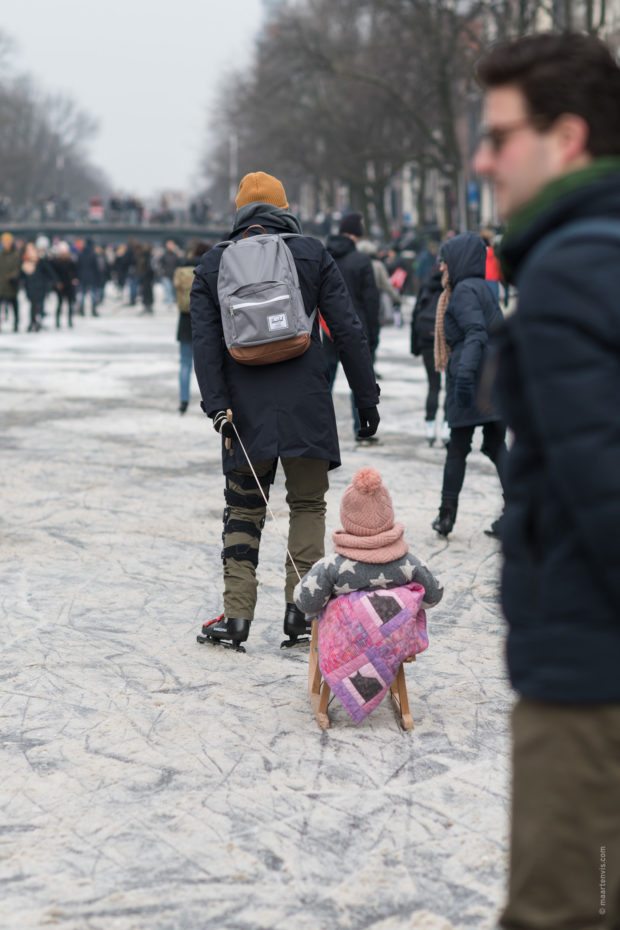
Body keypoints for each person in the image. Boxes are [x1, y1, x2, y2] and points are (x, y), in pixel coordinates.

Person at [473, 32, 620, 930]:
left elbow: (606, 500)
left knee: (568, 907)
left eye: (499, 135)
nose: (484, 159)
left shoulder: (571, 271)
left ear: (565, 139)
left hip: (588, 676)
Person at [190, 171, 380, 650]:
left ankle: (236, 618)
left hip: (244, 411)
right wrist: (365, 396)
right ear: (284, 207)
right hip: (307, 402)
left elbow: (205, 346)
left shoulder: (213, 265)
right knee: (308, 505)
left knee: (243, 509)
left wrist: (217, 407)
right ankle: (301, 611)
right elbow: (347, 327)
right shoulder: (313, 253)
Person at [293, 467, 443, 721]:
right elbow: (433, 595)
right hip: (392, 643)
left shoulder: (333, 566)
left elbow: (306, 601)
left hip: (345, 644)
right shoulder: (407, 562)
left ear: (346, 519)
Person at [430, 232, 507, 538]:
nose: (441, 268)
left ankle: (446, 517)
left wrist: (462, 378)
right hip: (493, 379)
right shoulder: (484, 288)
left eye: (444, 261)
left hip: (473, 381)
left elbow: (476, 333)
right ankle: (518, 513)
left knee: (458, 449)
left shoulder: (462, 292)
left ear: (457, 261)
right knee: (496, 446)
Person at [325, 212, 381, 439]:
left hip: (325, 328)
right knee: (357, 380)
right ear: (357, 234)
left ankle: (321, 429)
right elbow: (371, 302)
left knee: (324, 384)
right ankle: (362, 427)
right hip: (355, 328)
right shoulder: (361, 261)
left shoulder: (325, 257)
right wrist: (374, 336)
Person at [410, 266, 449, 447]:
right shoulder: (452, 286)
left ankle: (430, 427)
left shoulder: (426, 285)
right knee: (450, 385)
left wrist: (415, 345)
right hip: (447, 340)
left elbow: (415, 314)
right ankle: (447, 427)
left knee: (433, 385)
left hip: (426, 340)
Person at [173, 239, 210, 414]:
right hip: (205, 321)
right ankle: (210, 401)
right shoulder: (208, 269)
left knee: (185, 363)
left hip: (184, 320)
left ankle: (183, 400)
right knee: (207, 364)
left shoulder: (182, 270)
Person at [20, 241, 57, 332]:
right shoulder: (25, 263)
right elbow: (21, 276)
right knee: (33, 306)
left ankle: (38, 322)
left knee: (39, 305)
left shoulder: (41, 262)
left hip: (40, 287)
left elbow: (50, 272)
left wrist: (54, 281)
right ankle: (33, 322)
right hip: (30, 287)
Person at [51, 242, 78, 329]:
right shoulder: (56, 263)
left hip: (69, 285)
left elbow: (75, 273)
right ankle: (57, 322)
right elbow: (54, 274)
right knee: (60, 304)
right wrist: (57, 282)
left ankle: (70, 321)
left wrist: (74, 280)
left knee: (70, 304)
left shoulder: (71, 262)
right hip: (60, 286)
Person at [0, 232, 21, 333]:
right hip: (1, 286)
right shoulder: (1, 255)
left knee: (14, 305)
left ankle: (16, 323)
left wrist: (12, 276)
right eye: (4, 242)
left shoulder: (15, 255)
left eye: (7, 242)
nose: (6, 244)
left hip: (11, 285)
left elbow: (17, 269)